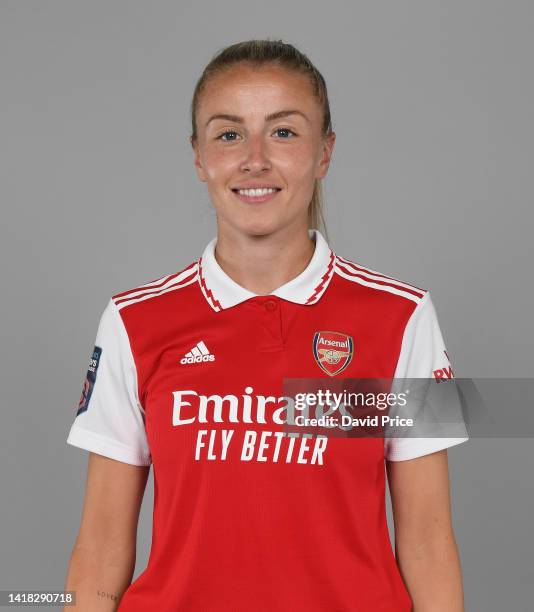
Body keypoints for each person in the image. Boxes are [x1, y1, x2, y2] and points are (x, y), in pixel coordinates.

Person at [63, 39, 469, 611]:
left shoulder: (404, 316)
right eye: (229, 134)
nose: (254, 158)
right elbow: (102, 547)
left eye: (283, 132)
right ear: (199, 157)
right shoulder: (134, 321)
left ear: (324, 153)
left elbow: (427, 543)